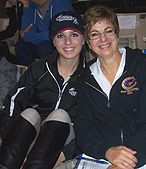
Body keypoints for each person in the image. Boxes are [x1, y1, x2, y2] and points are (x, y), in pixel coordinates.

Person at [75, 4, 146, 169]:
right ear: (88, 43)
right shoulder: (85, 79)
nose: (103, 39)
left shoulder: (142, 66)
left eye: (108, 31)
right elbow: (84, 126)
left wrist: (124, 163)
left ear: (117, 34)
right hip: (103, 154)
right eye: (95, 34)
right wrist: (107, 151)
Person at [0, 10, 85, 169]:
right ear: (53, 41)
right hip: (34, 138)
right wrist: (11, 143)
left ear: (83, 39)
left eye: (74, 34)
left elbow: (95, 124)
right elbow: (12, 106)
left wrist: (64, 154)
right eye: (60, 36)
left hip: (64, 142)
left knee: (60, 114)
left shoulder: (91, 76)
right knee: (29, 113)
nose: (67, 42)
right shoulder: (38, 69)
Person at [15, 0, 74, 66]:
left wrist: (28, 36)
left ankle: (52, 74)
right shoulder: (32, 5)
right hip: (45, 43)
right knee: (21, 46)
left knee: (43, 46)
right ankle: (32, 74)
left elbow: (59, 34)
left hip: (65, 44)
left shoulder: (62, 3)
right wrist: (26, 5)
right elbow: (25, 33)